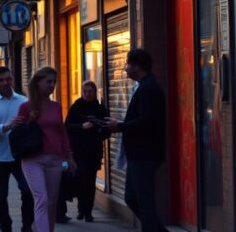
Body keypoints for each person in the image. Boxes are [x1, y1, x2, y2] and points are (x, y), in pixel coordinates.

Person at [102, 48, 168, 232]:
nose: (125, 68)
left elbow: (146, 122)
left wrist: (120, 126)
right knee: (132, 198)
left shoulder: (149, 89)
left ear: (137, 66)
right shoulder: (143, 86)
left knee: (144, 202)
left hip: (145, 154)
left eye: (128, 64)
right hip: (137, 154)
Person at [16, 67, 76, 232]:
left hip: (54, 160)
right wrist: (29, 121)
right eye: (48, 81)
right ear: (37, 83)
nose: (52, 85)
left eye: (54, 82)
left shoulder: (56, 107)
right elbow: (18, 135)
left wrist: (69, 156)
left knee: (51, 203)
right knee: (41, 198)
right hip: (32, 159)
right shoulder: (25, 107)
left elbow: (62, 132)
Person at [0, 66, 35, 232]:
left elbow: (32, 126)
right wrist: (7, 126)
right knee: (0, 197)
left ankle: (27, 225)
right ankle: (5, 226)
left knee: (27, 191)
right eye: (1, 80)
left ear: (12, 79)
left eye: (8, 79)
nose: (5, 83)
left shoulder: (23, 101)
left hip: (21, 156)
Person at [65, 80, 111, 222]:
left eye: (90, 91)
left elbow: (107, 129)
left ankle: (88, 211)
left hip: (93, 150)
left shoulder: (100, 108)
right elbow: (67, 126)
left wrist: (99, 132)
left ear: (95, 92)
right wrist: (82, 127)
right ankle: (81, 208)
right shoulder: (76, 106)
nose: (87, 94)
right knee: (80, 178)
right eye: (85, 91)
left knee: (90, 181)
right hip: (78, 150)